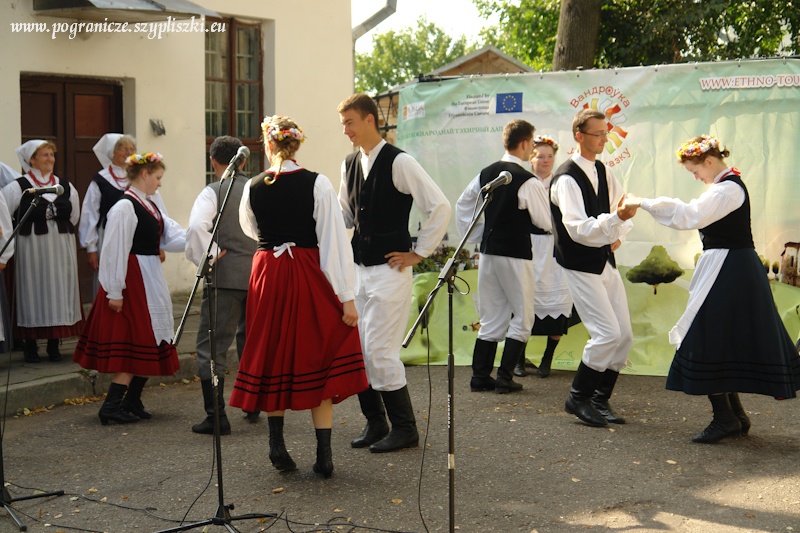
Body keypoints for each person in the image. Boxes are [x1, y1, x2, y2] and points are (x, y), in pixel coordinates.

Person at [624, 135, 800, 443]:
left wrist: (644, 202)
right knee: (718, 338)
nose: (696, 177)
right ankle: (734, 416)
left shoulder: (727, 189)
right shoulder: (723, 187)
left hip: (731, 269)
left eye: (695, 171)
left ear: (708, 161)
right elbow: (693, 211)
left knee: (707, 337)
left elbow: (689, 215)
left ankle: (726, 418)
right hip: (729, 267)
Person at [228, 115, 368, 478]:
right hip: (306, 270)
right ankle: (324, 456)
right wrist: (346, 296)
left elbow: (251, 229)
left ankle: (277, 446)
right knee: (318, 349)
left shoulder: (253, 186)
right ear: (297, 144)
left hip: (268, 273)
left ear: (268, 143)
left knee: (273, 352)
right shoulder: (317, 183)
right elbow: (335, 242)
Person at [337, 93, 451, 453]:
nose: (346, 130)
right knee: (359, 349)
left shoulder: (400, 162)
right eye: (343, 124)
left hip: (389, 271)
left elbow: (439, 206)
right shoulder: (349, 163)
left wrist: (418, 253)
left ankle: (405, 428)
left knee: (381, 352)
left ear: (370, 120)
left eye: (350, 122)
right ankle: (376, 422)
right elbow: (344, 215)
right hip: (359, 270)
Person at [73, 152, 186, 425]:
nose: (160, 183)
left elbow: (172, 235)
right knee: (135, 340)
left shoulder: (149, 204)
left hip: (148, 277)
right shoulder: (125, 207)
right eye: (157, 177)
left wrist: (205, 239)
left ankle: (131, 399)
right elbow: (114, 250)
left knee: (150, 338)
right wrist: (114, 291)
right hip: (131, 280)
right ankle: (111, 406)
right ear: (145, 174)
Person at [550, 109, 637, 428]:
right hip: (579, 265)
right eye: (598, 134)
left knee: (623, 335)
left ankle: (599, 400)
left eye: (605, 133)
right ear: (579, 136)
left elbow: (618, 207)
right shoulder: (565, 178)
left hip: (603, 261)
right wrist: (615, 223)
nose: (604, 139)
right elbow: (576, 228)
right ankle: (578, 398)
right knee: (607, 333)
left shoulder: (603, 170)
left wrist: (618, 233)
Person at [455, 120, 551, 394]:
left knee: (492, 315)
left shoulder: (486, 172)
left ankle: (480, 377)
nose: (532, 149)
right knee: (523, 315)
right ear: (524, 143)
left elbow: (463, 204)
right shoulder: (527, 180)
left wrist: (479, 234)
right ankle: (505, 377)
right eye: (532, 145)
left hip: (489, 251)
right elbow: (544, 220)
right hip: (516, 253)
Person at [186, 136, 258, 435]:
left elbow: (195, 228)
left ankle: (217, 417)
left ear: (213, 161)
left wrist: (211, 256)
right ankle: (253, 405)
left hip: (225, 278)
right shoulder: (257, 189)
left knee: (211, 347)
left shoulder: (213, 191)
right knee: (251, 341)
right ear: (242, 162)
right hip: (258, 276)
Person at [3, 140, 83, 363]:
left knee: (59, 291)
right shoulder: (19, 187)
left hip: (60, 250)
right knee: (33, 291)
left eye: (52, 155)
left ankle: (53, 345)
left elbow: (74, 215)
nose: (50, 159)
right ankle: (30, 345)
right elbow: (4, 215)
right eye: (45, 155)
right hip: (31, 250)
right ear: (32, 160)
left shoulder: (65, 186)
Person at [518, 135, 581, 378]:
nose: (545, 161)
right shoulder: (524, 183)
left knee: (559, 302)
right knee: (524, 301)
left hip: (556, 246)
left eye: (550, 156)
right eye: (540, 156)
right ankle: (518, 359)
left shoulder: (561, 183)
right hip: (529, 245)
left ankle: (547, 359)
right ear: (531, 159)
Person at [79, 134, 169, 296]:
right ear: (112, 152)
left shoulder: (142, 177)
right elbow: (90, 213)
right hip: (109, 236)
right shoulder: (101, 179)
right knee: (111, 274)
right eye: (123, 149)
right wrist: (90, 247)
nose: (128, 152)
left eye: (132, 149)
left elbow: (158, 210)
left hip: (141, 238)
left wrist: (160, 243)